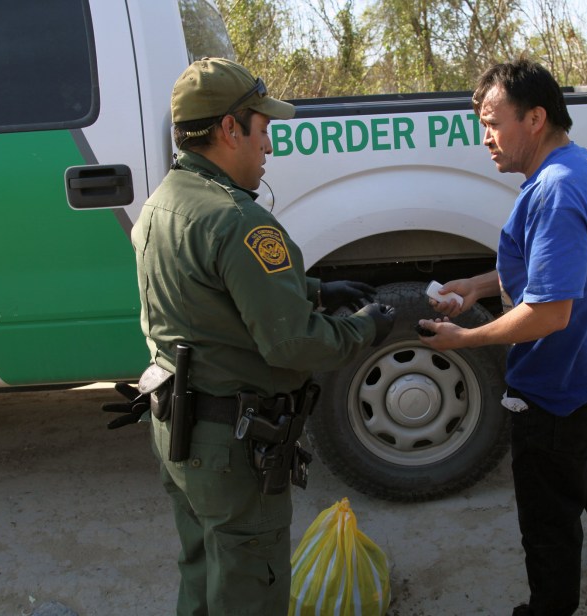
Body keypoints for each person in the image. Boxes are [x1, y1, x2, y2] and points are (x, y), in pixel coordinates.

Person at [130, 57, 396, 616]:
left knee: (204, 574)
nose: (268, 146)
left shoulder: (161, 204)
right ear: (230, 129)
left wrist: (315, 288)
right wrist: (366, 327)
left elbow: (212, 296)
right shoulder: (238, 220)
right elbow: (293, 344)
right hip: (230, 445)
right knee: (249, 587)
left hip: (178, 430)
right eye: (263, 128)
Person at [418, 58, 587, 616]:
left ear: (537, 117)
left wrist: (464, 340)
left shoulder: (555, 192)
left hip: (556, 389)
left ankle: (550, 608)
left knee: (549, 516)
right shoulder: (581, 168)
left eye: (495, 123)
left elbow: (548, 312)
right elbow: (552, 268)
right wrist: (476, 286)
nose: (487, 138)